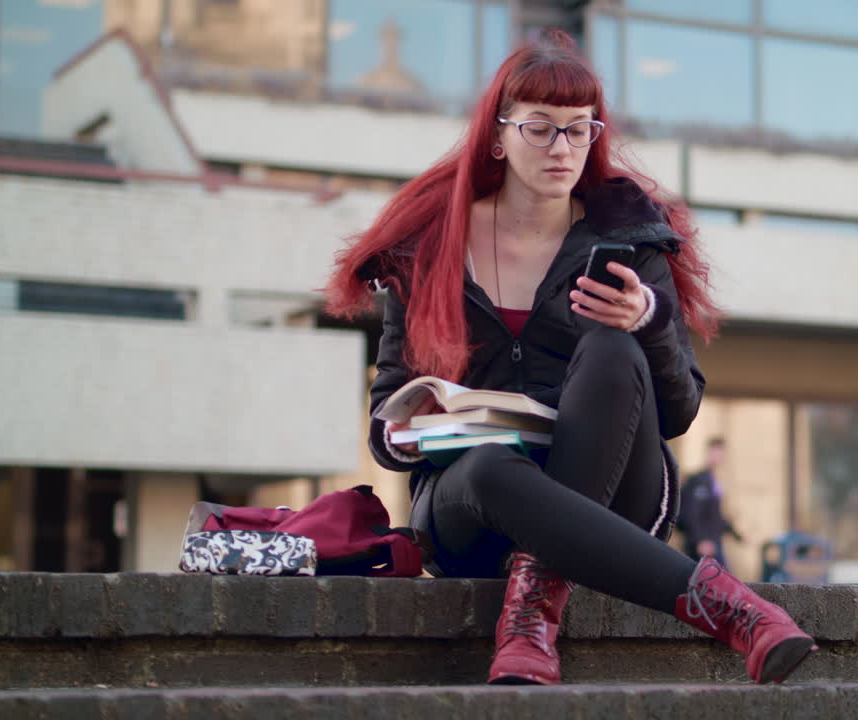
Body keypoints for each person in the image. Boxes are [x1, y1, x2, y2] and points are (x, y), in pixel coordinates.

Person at [325, 31, 815, 686]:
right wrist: (409, 423)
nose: (563, 148)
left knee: (613, 348)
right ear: (498, 137)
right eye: (541, 128)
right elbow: (385, 432)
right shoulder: (429, 249)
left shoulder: (629, 240)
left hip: (617, 493)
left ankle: (534, 604)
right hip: (471, 505)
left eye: (579, 130)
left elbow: (678, 412)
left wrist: (649, 323)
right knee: (493, 466)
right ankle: (740, 613)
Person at [680, 437, 744, 571]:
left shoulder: (714, 480)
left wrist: (737, 534)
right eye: (716, 452)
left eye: (721, 453)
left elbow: (715, 517)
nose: (719, 457)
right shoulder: (698, 480)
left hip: (714, 542)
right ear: (709, 452)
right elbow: (690, 513)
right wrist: (700, 540)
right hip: (703, 546)